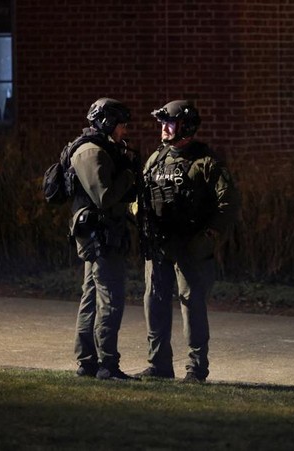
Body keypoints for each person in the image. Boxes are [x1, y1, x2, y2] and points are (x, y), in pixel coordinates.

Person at [133, 99, 240, 383]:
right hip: (158, 246)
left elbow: (228, 202)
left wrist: (209, 235)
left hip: (191, 248)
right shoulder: (156, 158)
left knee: (191, 305)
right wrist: (138, 212)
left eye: (170, 123)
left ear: (186, 126)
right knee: (153, 302)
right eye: (163, 124)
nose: (165, 129)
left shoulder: (205, 161)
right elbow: (139, 197)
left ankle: (196, 368)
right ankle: (158, 365)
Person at [70, 97, 139, 380]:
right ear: (107, 122)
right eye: (121, 125)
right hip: (100, 236)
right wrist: (129, 174)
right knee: (110, 299)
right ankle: (106, 365)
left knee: (91, 297)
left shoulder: (100, 149)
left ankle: (87, 363)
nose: (125, 131)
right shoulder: (91, 152)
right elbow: (105, 197)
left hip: (101, 234)